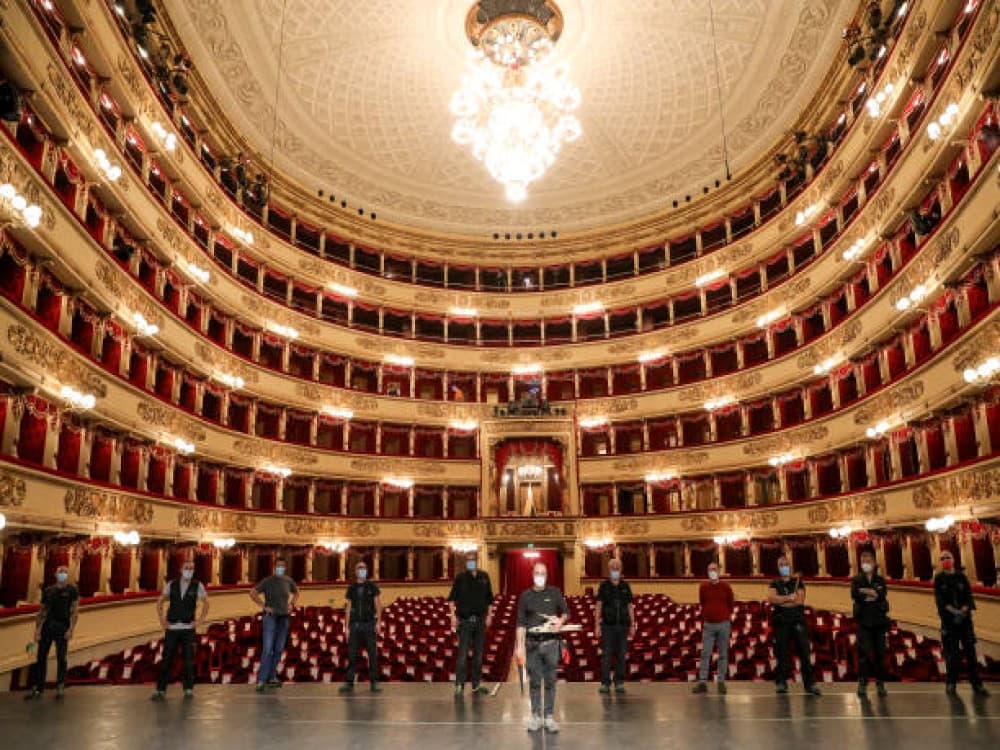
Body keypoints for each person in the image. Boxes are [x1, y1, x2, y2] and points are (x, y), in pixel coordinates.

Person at [515, 562, 568, 733]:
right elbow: (521, 624)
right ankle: (536, 716)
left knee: (551, 682)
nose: (540, 576)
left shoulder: (555, 592)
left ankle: (549, 717)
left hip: (551, 644)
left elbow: (566, 612)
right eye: (537, 573)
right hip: (532, 645)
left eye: (543, 573)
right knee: (535, 682)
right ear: (532, 575)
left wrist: (560, 621)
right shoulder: (525, 596)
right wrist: (519, 646)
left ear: (546, 575)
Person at [151, 558, 209, 701]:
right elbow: (159, 601)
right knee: (167, 659)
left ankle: (188, 689)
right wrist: (162, 619)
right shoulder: (172, 584)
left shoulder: (198, 586)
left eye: (192, 568)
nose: (189, 571)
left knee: (189, 660)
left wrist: (200, 620)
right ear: (181, 569)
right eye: (187, 568)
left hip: (188, 628)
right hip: (172, 628)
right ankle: (160, 689)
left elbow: (206, 604)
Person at [934, 549, 989, 696]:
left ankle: (976, 684)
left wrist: (963, 611)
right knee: (952, 655)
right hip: (949, 623)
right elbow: (940, 601)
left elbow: (968, 597)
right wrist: (954, 612)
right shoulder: (939, 579)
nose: (945, 560)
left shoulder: (961, 577)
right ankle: (951, 683)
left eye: (948, 557)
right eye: (942, 558)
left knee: (971, 654)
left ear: (954, 559)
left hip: (965, 622)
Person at [767, 556, 821, 696]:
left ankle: (810, 684)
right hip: (781, 622)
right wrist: (788, 598)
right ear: (778, 568)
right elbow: (772, 599)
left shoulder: (798, 583)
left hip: (798, 621)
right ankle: (781, 682)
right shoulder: (774, 583)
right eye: (781, 565)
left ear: (789, 566)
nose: (784, 566)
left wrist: (783, 602)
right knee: (782, 654)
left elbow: (800, 601)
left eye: (786, 564)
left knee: (804, 653)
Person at [24, 565, 79, 700]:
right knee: (41, 657)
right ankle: (39, 687)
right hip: (47, 627)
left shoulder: (72, 590)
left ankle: (60, 686)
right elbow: (42, 612)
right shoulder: (48, 590)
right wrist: (37, 630)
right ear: (55, 574)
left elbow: (75, 612)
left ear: (68, 575)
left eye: (65, 572)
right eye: (60, 572)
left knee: (61, 657)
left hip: (62, 627)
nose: (62, 574)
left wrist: (71, 630)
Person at [448, 550, 494, 696]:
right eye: (468, 560)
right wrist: (453, 617)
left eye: (472, 559)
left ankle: (476, 684)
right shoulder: (460, 578)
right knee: (462, 655)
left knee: (478, 655)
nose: (470, 562)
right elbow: (451, 599)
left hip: (480, 621)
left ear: (477, 560)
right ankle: (459, 685)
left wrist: (489, 615)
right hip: (465, 622)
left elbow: (489, 599)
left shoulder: (484, 577)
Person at [250, 557, 298, 692]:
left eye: (283, 565)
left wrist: (292, 604)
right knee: (268, 648)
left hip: (284, 617)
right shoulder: (268, 580)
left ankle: (271, 676)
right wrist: (263, 606)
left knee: (278, 649)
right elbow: (252, 593)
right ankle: (261, 680)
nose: (281, 568)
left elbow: (296, 592)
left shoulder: (288, 581)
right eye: (278, 565)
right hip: (270, 617)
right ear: (274, 566)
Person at [850, 548, 889, 697]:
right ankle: (863, 682)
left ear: (873, 562)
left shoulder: (880, 580)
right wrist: (872, 593)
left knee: (880, 654)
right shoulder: (856, 580)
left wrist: (867, 592)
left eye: (868, 561)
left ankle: (880, 683)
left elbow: (882, 594)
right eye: (863, 561)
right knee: (864, 654)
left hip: (879, 622)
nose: (865, 564)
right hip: (864, 623)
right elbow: (855, 595)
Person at [339, 560, 382, 693]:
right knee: (352, 655)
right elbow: (348, 607)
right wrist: (346, 627)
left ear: (366, 571)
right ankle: (349, 682)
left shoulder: (372, 586)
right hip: (355, 626)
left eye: (364, 568)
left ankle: (374, 682)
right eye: (359, 568)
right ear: (356, 571)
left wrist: (379, 622)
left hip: (369, 625)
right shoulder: (351, 588)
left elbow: (378, 605)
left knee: (372, 654)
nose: (362, 570)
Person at [692, 561, 734, 694]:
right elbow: (702, 602)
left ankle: (721, 682)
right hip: (708, 625)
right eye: (710, 570)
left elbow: (730, 604)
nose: (712, 572)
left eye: (714, 569)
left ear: (719, 571)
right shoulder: (703, 587)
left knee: (723, 654)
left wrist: (724, 615)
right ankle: (702, 682)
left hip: (723, 624)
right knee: (705, 654)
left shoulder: (726, 587)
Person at [594, 558, 635, 694]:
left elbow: (630, 607)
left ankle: (619, 682)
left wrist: (632, 625)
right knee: (606, 656)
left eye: (618, 567)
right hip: (607, 626)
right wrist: (597, 625)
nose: (615, 570)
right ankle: (605, 683)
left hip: (623, 626)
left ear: (621, 570)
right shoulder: (604, 586)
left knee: (621, 655)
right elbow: (599, 606)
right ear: (609, 570)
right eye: (613, 568)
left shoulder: (625, 586)